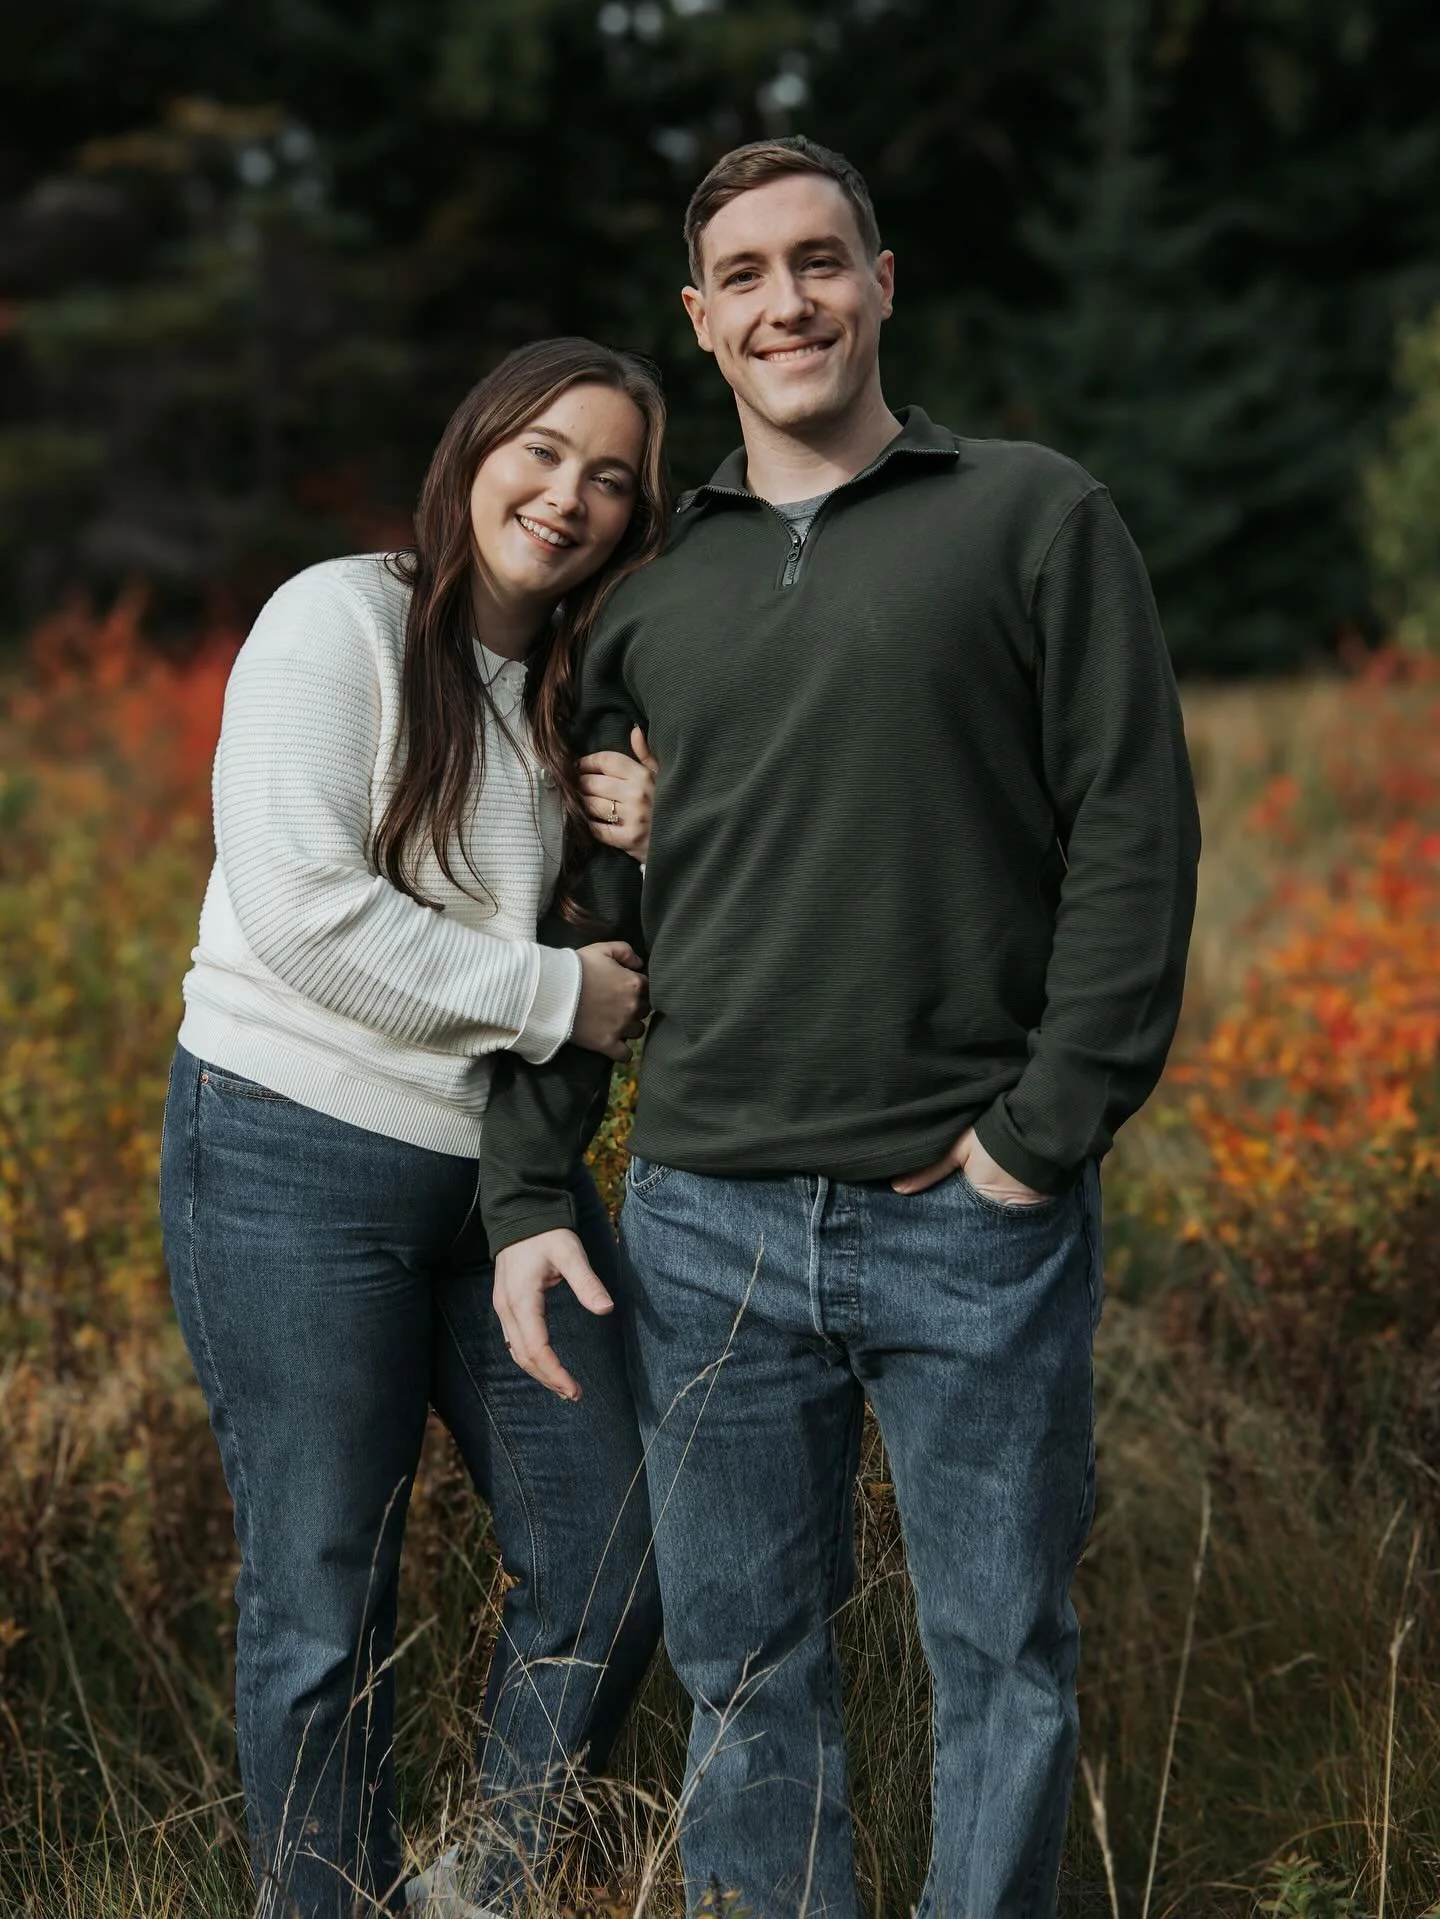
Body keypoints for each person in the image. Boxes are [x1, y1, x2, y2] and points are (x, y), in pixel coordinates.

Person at [478, 142, 1203, 1919]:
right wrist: (526, 1184)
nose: (785, 300)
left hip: (970, 1208)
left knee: (1005, 1659)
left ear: (884, 280)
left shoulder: (1032, 515)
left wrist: (1042, 1136)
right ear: (701, 322)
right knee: (746, 1672)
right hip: (711, 1216)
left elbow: (1133, 828)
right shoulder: (651, 595)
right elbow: (595, 916)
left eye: (820, 261)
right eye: (745, 274)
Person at [158, 337, 670, 1919]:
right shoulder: (340, 616)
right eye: (541, 450)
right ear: (474, 451)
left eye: (609, 476)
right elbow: (304, 911)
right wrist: (546, 993)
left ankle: (478, 1889)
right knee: (326, 1587)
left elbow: (643, 949)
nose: (566, 494)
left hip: (502, 1188)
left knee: (620, 1542)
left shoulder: (588, 696)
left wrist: (674, 821)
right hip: (289, 1154)